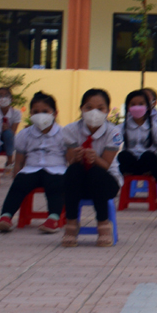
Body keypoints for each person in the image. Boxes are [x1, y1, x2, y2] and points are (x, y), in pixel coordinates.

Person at [61, 88, 123, 247]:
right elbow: (70, 162)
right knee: (73, 171)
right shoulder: (70, 130)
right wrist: (76, 157)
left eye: (100, 108)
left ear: (107, 111)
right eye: (89, 108)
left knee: (97, 172)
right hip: (80, 183)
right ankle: (72, 224)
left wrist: (95, 158)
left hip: (106, 182)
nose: (94, 112)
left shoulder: (113, 132)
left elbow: (106, 165)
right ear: (81, 109)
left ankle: (103, 224)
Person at [0, 92, 67, 234]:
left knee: (55, 186)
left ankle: (53, 218)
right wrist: (16, 175)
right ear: (30, 114)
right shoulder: (25, 134)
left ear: (55, 113)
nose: (40, 115)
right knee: (19, 185)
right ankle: (6, 217)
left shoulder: (63, 133)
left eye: (45, 111)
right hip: (31, 169)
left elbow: (69, 158)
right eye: (36, 112)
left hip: (56, 169)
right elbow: (20, 160)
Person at [116, 89, 157, 188]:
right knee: (123, 155)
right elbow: (113, 148)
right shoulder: (121, 127)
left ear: (148, 107)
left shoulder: (155, 127)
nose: (137, 107)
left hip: (147, 166)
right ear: (127, 107)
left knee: (149, 155)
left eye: (141, 104)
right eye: (133, 104)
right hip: (130, 166)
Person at [0, 86, 21, 170]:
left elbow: (13, 132)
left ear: (11, 99)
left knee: (8, 133)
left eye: (6, 96)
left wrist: (6, 128)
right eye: (0, 95)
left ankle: (10, 161)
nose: (3, 98)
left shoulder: (16, 113)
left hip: (8, 142)